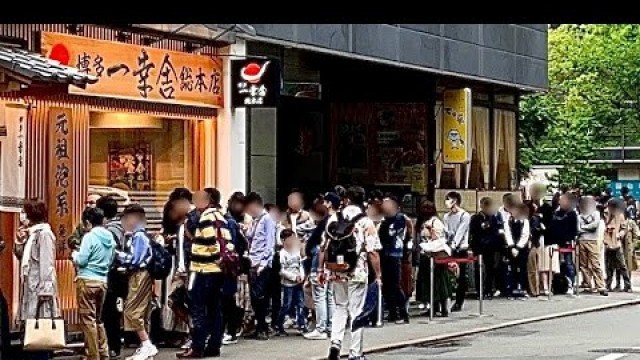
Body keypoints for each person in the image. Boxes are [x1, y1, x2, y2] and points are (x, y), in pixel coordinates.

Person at [319, 186, 382, 360]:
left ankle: (335, 343)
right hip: (357, 271)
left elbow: (323, 247)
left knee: (340, 308)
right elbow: (373, 251)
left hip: (336, 271)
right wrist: (377, 275)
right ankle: (355, 352)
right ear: (363, 201)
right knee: (356, 312)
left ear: (345, 200)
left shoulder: (333, 218)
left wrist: (320, 269)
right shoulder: (365, 222)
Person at [178, 189, 231, 359]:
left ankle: (197, 347)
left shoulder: (206, 218)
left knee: (198, 310)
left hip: (203, 269)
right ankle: (214, 345)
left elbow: (210, 244)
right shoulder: (221, 217)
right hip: (217, 272)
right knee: (215, 310)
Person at [14, 200, 59, 360]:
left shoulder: (44, 234)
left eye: (24, 212)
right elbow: (23, 257)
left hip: (39, 291)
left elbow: (47, 264)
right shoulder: (31, 234)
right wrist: (19, 240)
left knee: (41, 329)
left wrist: (45, 290)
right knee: (31, 326)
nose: (22, 215)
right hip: (30, 287)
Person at [73, 207, 116, 360]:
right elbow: (111, 260)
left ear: (88, 222)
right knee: (98, 319)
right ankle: (104, 352)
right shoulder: (110, 237)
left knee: (88, 320)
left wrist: (74, 255)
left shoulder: (89, 237)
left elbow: (82, 259)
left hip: (87, 280)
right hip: (103, 281)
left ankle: (93, 354)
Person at [116, 204, 157, 360]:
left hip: (139, 276)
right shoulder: (138, 235)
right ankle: (145, 346)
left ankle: (146, 344)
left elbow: (135, 260)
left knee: (132, 311)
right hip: (141, 275)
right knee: (141, 311)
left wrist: (117, 254)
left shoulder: (139, 237)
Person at [96, 195, 129, 359]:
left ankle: (111, 346)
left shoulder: (109, 230)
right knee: (113, 311)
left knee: (108, 311)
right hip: (120, 274)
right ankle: (113, 345)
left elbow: (110, 254)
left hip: (111, 274)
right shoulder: (121, 227)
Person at [304, 193, 338, 341]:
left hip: (321, 261)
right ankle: (331, 326)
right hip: (332, 262)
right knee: (329, 295)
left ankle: (321, 328)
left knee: (319, 295)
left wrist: (318, 268)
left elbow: (322, 245)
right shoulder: (339, 219)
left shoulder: (328, 221)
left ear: (329, 204)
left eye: (325, 201)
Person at [246, 192, 277, 340]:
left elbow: (270, 244)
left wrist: (263, 264)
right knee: (254, 297)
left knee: (260, 297)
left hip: (261, 264)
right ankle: (259, 326)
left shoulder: (267, 220)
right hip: (252, 261)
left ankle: (263, 327)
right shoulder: (255, 220)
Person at [414, 200, 453, 317]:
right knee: (430, 283)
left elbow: (439, 239)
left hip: (434, 255)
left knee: (439, 283)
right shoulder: (424, 222)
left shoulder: (435, 222)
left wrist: (431, 231)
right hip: (426, 255)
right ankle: (434, 306)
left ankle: (442, 307)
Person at [226, 192, 254, 338]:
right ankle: (235, 326)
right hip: (233, 263)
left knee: (242, 297)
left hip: (241, 263)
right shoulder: (227, 219)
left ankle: (240, 325)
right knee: (235, 297)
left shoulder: (247, 219)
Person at [379, 195, 409, 324]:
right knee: (386, 286)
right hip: (384, 253)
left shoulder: (400, 218)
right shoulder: (384, 219)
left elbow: (391, 234)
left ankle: (403, 313)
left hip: (395, 254)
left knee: (395, 285)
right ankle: (392, 313)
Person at [443, 191, 471, 312]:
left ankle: (459, 301)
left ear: (455, 201)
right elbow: (446, 231)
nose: (446, 203)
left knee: (461, 276)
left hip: (461, 249)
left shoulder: (464, 215)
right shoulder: (446, 216)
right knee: (449, 275)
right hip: (449, 248)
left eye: (448, 200)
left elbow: (461, 231)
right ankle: (447, 299)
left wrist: (454, 244)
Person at [275, 229, 307, 335]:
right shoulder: (282, 254)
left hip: (298, 282)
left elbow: (300, 265)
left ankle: (302, 325)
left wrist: (301, 276)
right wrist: (293, 277)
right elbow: (281, 270)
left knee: (301, 303)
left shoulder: (296, 252)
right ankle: (279, 325)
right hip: (287, 283)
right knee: (286, 305)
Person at [547, 193, 579, 294]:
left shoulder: (572, 213)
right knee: (558, 264)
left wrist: (570, 238)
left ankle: (570, 284)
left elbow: (574, 229)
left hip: (567, 241)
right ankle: (560, 285)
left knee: (568, 263)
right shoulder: (556, 213)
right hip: (556, 241)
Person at [469, 197, 500, 299]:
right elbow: (473, 231)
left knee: (490, 269)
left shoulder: (493, 218)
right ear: (481, 206)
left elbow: (496, 232)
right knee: (478, 269)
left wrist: (489, 241)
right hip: (478, 247)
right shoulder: (475, 218)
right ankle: (479, 291)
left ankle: (488, 290)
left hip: (490, 247)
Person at [577, 196, 607, 296]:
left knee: (595, 263)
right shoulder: (579, 215)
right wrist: (584, 229)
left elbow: (594, 226)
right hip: (581, 241)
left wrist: (583, 228)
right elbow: (577, 228)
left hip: (592, 240)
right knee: (583, 265)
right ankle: (588, 284)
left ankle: (601, 286)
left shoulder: (596, 213)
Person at [503, 202, 530, 298]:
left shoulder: (524, 221)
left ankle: (523, 288)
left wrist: (518, 247)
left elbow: (525, 235)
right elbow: (507, 233)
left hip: (522, 248)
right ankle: (511, 289)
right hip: (511, 248)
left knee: (522, 269)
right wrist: (512, 247)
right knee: (512, 269)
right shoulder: (508, 221)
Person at [604, 200, 632, 292]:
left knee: (622, 265)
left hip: (616, 243)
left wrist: (620, 234)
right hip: (607, 242)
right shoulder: (605, 214)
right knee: (608, 266)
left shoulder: (620, 215)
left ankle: (627, 285)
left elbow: (624, 228)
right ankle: (608, 285)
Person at [621, 210, 639, 288]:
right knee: (618, 266)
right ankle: (618, 284)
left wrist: (633, 246)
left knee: (628, 267)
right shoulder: (617, 222)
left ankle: (628, 285)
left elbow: (637, 235)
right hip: (618, 247)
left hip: (628, 248)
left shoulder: (631, 223)